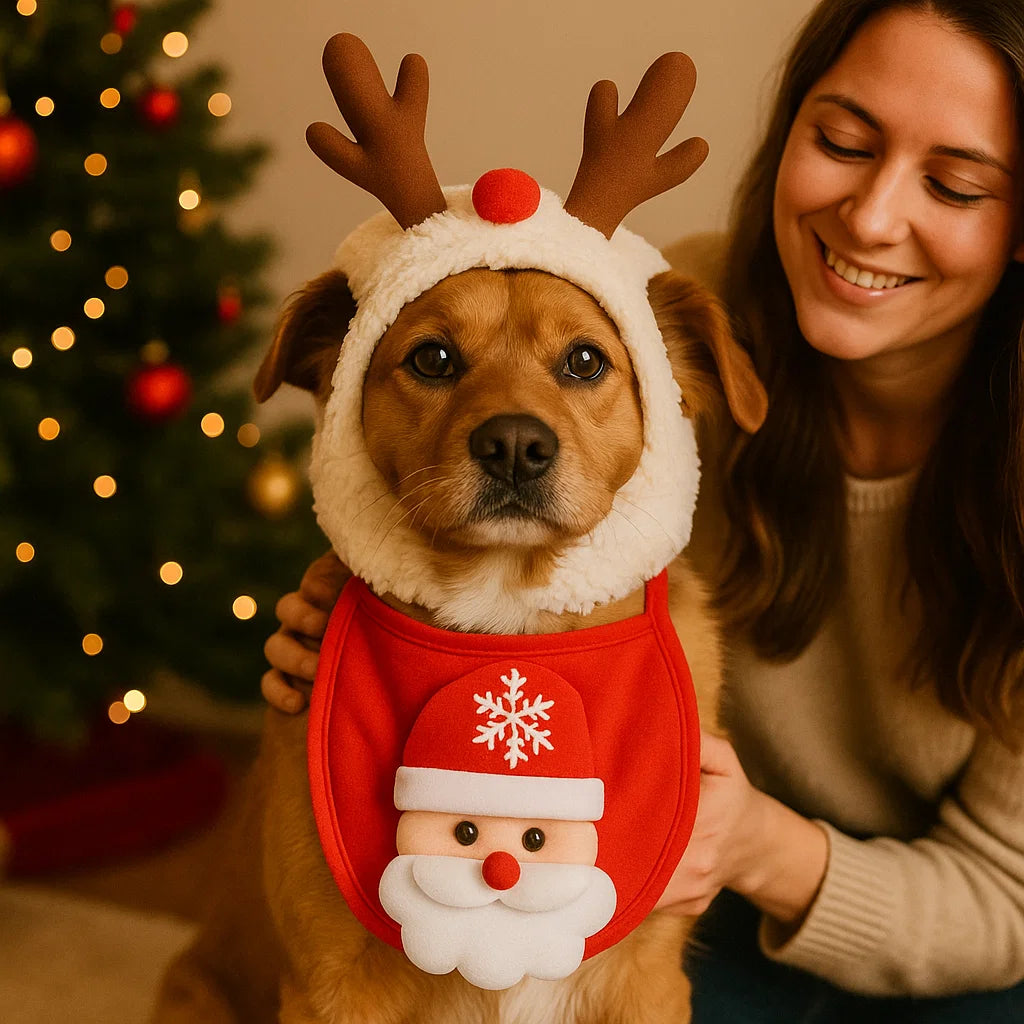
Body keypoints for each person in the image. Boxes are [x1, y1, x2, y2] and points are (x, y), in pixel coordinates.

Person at [260, 0, 1024, 1018]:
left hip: (913, 922)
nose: (874, 217)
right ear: (788, 129)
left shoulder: (652, 340)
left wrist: (758, 843)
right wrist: (355, 613)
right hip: (662, 879)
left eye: (954, 183)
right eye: (842, 141)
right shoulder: (658, 296)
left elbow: (1005, 900)